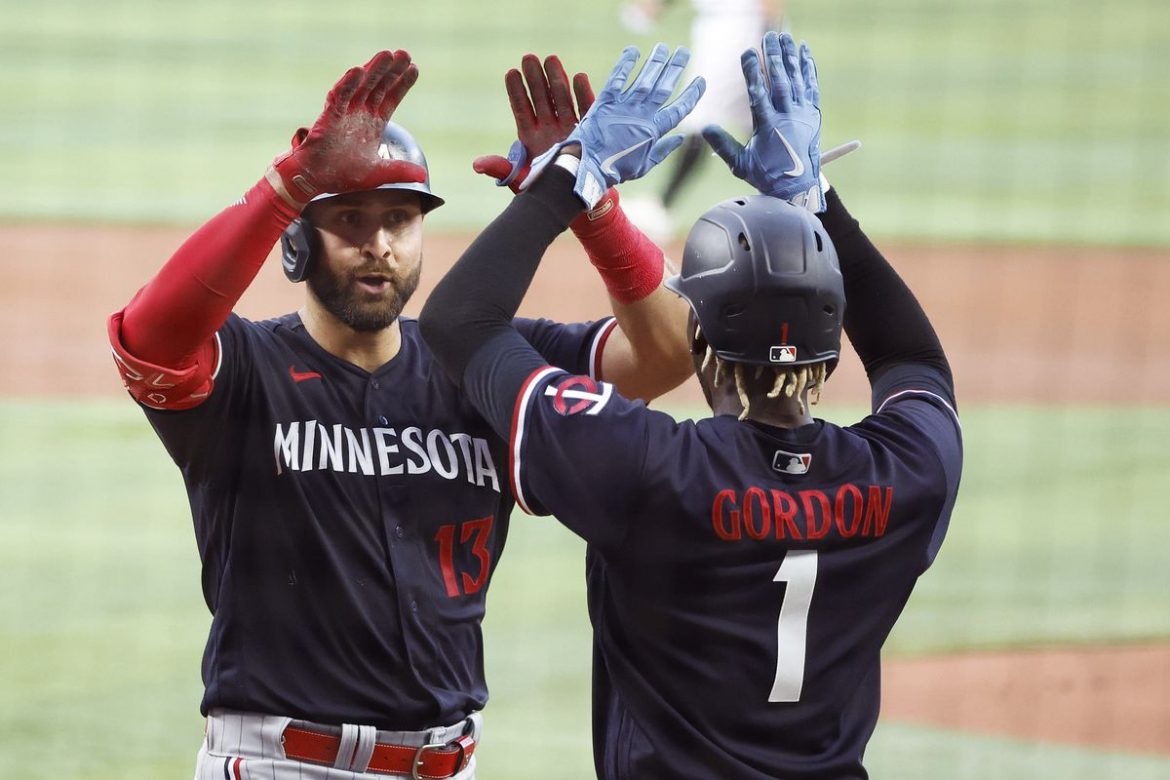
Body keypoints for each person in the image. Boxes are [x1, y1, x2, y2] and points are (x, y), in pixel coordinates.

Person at [106, 48, 692, 780]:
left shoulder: (484, 368)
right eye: (349, 219)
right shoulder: (246, 372)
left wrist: (592, 203)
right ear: (297, 240)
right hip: (281, 765)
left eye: (400, 220)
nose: (379, 244)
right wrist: (287, 185)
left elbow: (668, 353)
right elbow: (150, 337)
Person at [421, 32, 963, 779]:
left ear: (699, 338)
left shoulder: (645, 466)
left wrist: (574, 174)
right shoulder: (907, 474)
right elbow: (914, 358)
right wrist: (815, 200)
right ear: (835, 344)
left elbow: (457, 324)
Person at [619, 0, 783, 242]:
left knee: (700, 114)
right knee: (758, 125)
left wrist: (767, 36)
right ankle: (800, 204)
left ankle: (662, 208)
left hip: (738, 28)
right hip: (732, 27)